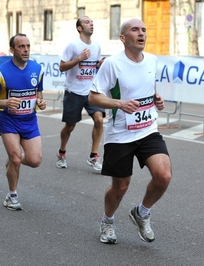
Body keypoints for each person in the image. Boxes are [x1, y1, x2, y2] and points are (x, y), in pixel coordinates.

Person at [89, 18, 172, 244]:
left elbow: (147, 87)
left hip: (147, 129)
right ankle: (108, 220)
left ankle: (142, 213)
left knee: (163, 176)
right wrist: (119, 104)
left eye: (144, 29)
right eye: (135, 30)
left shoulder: (153, 60)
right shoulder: (112, 64)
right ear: (123, 38)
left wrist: (156, 98)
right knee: (121, 186)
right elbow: (94, 96)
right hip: (120, 134)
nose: (141, 33)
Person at [0, 33, 47, 210]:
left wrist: (40, 102)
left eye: (28, 46)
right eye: (21, 47)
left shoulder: (37, 69)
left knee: (35, 161)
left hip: (30, 121)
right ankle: (12, 196)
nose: (26, 50)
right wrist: (4, 102)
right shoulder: (1, 72)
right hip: (9, 121)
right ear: (12, 49)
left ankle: (12, 160)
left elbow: (38, 92)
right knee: (17, 159)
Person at [56, 16, 106, 170]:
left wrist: (100, 64)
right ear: (79, 28)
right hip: (74, 92)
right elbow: (62, 67)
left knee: (99, 120)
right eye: (87, 22)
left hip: (91, 91)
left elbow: (94, 66)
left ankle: (93, 156)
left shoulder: (96, 46)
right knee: (70, 126)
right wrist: (79, 58)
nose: (91, 23)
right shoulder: (73, 45)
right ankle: (62, 152)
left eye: (92, 22)